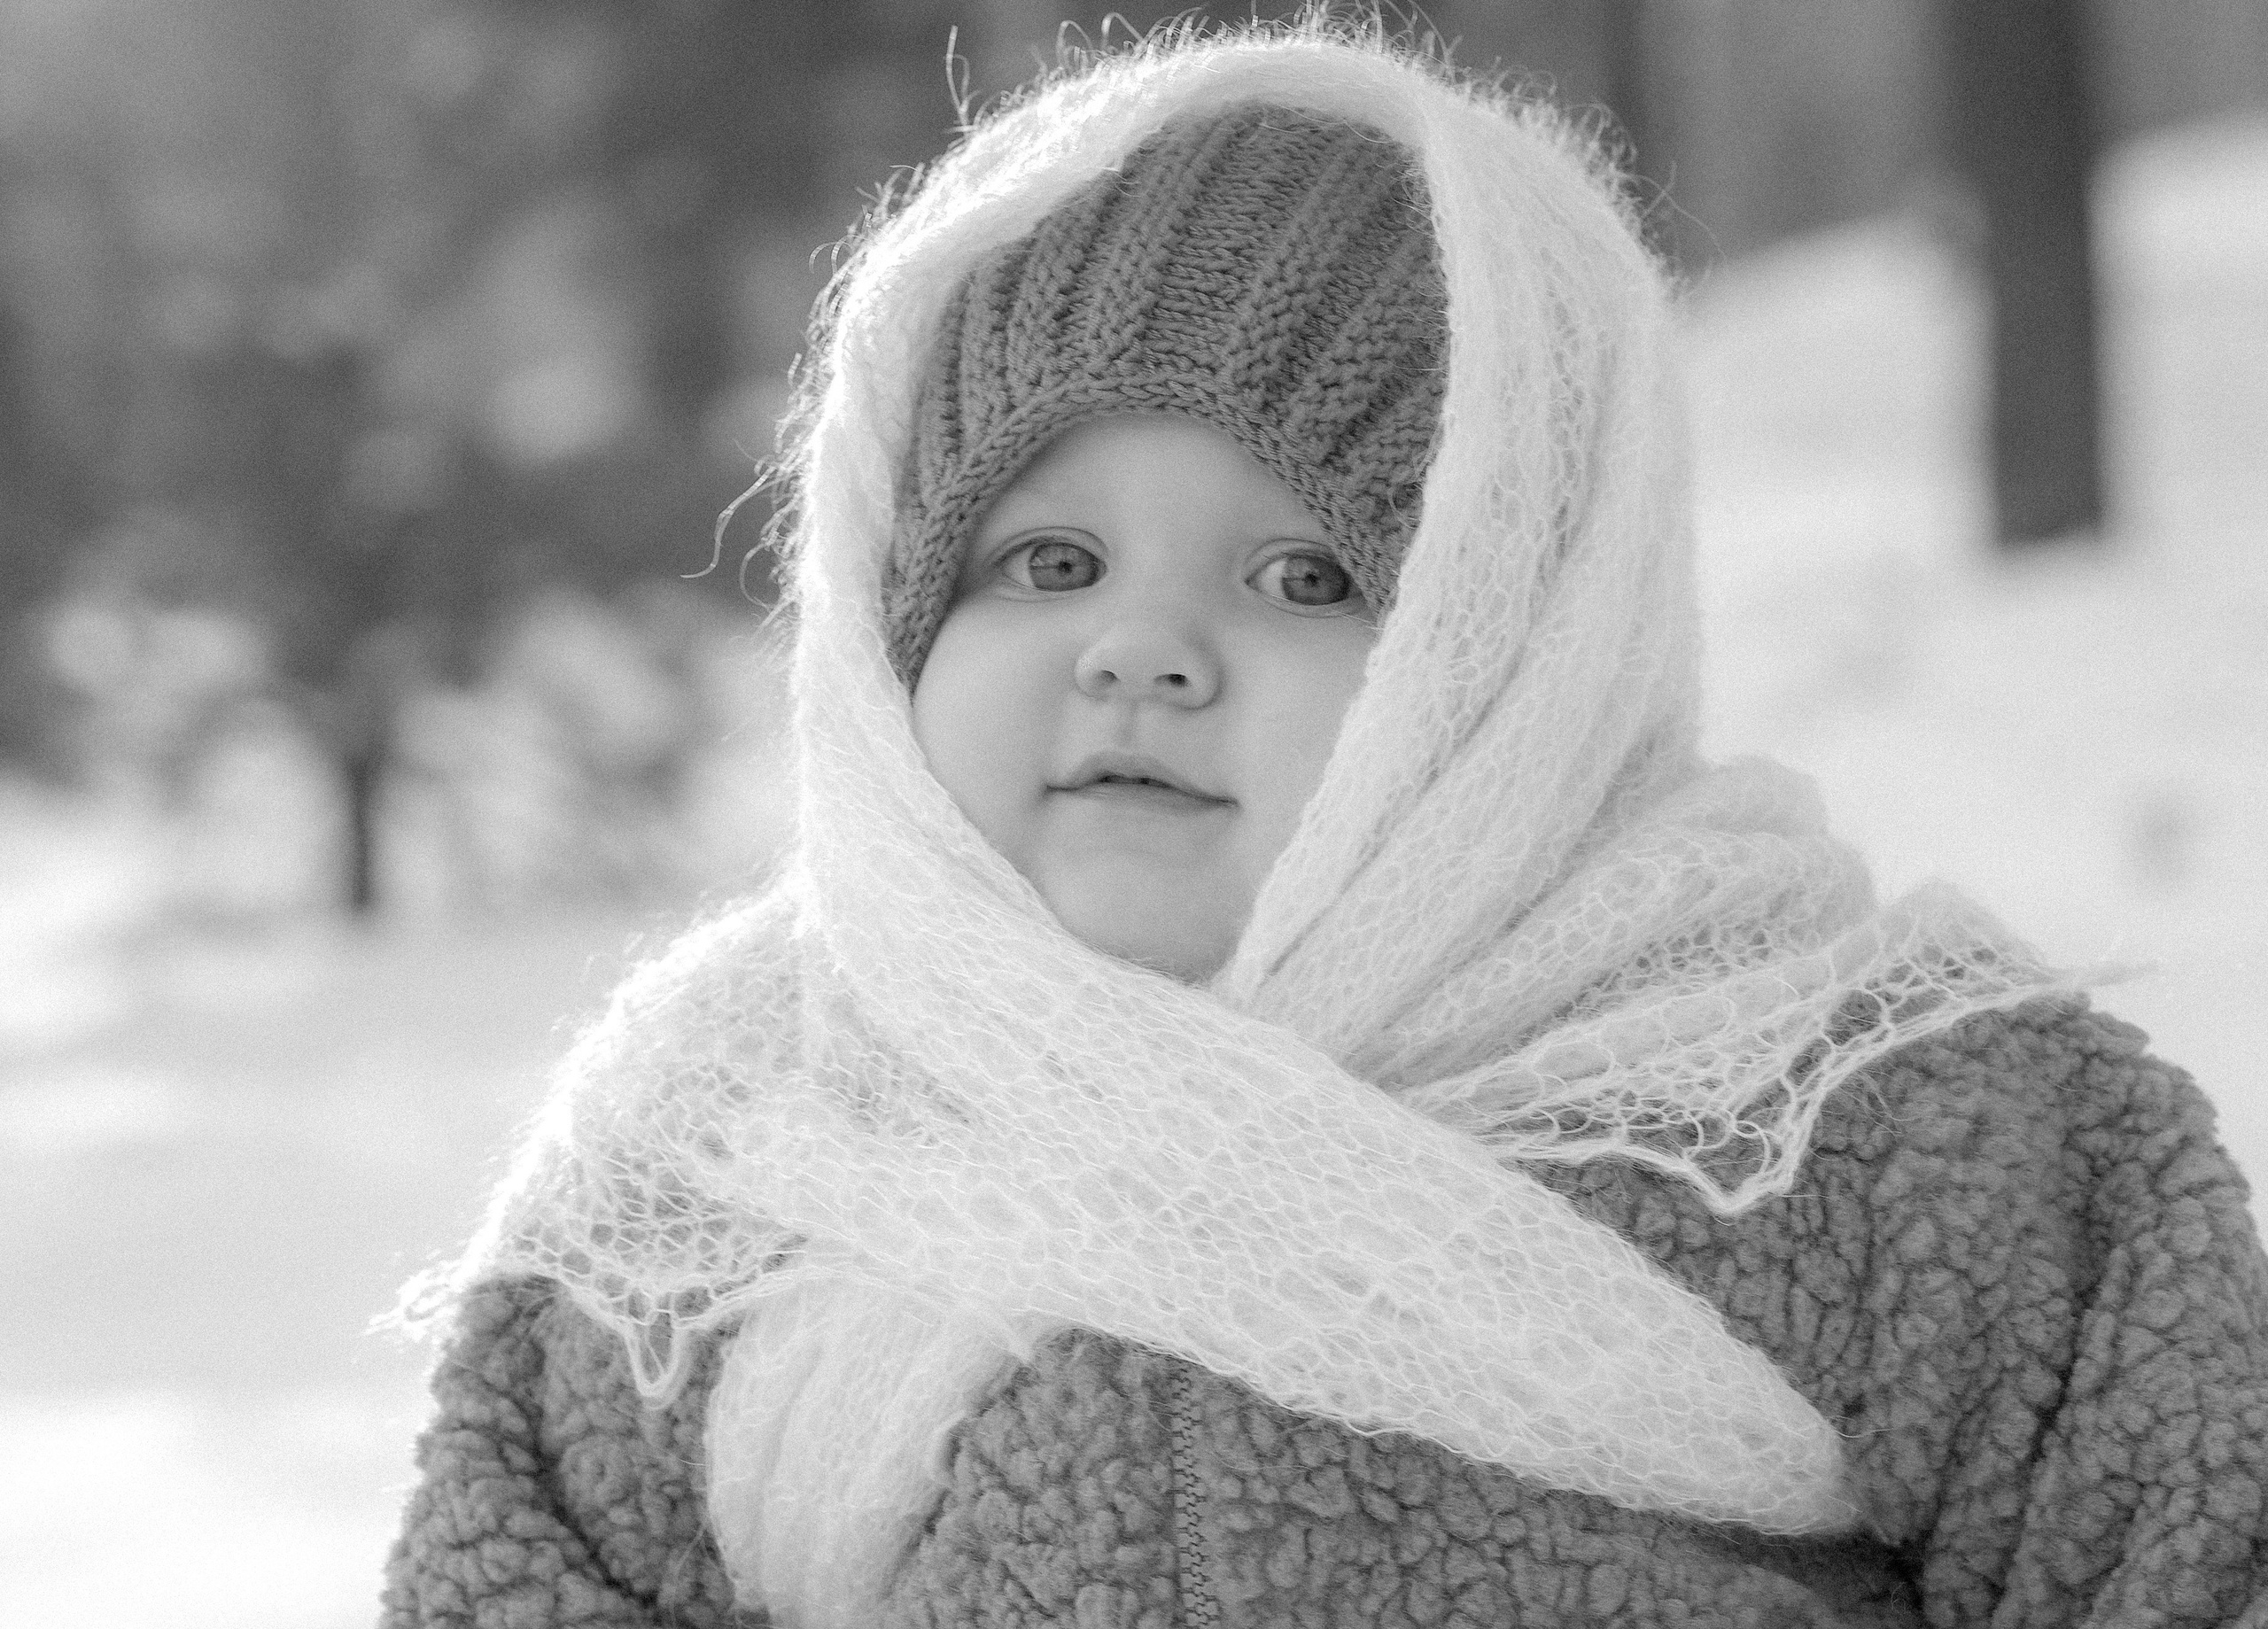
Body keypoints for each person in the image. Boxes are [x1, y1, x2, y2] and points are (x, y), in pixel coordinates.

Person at [380, 19, 2268, 1628]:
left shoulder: (1860, 1117)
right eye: (1044, 559)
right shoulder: (719, 1148)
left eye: (1305, 574)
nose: (1143, 650)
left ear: (1515, 665)